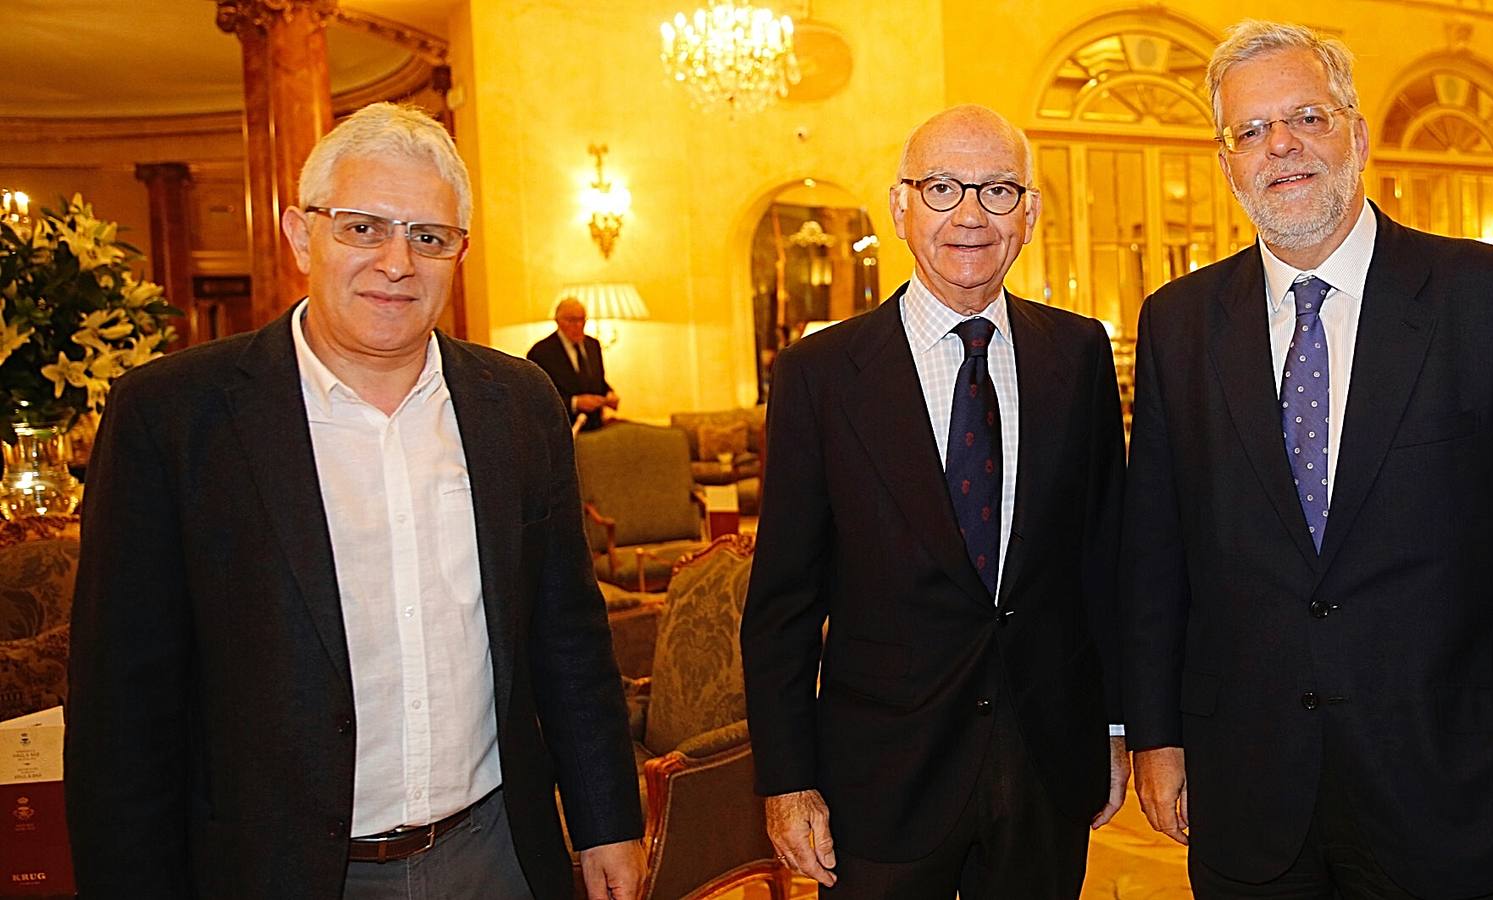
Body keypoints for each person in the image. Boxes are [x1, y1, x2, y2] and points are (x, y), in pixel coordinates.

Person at [64, 103, 644, 900]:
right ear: (302, 235)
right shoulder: (174, 417)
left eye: (429, 236)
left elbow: (567, 635)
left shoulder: (519, 404)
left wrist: (609, 818)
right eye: (363, 228)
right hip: (275, 869)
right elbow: (121, 705)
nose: (397, 262)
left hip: (497, 855)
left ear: (459, 253)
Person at [1121, 21, 1493, 898]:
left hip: (1457, 793)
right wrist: (1157, 736)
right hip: (1252, 800)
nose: (1281, 146)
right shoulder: (1180, 323)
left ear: (1356, 129)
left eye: (1306, 117)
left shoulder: (1491, 297)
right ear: (1226, 158)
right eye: (1252, 130)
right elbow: (1158, 556)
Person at [740, 105, 1129, 898]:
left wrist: (1116, 728)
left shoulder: (1078, 351)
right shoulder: (820, 374)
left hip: (1045, 768)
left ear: (1030, 212)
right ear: (900, 206)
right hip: (880, 779)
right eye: (943, 186)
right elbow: (782, 602)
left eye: (996, 189)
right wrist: (787, 781)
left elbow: (1105, 560)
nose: (969, 215)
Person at [527, 298, 618, 432]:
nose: (579, 325)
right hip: (563, 430)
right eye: (572, 320)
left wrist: (609, 393)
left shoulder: (593, 345)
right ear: (558, 321)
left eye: (582, 319)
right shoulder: (541, 352)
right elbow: (537, 399)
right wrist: (574, 403)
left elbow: (596, 380)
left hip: (595, 426)